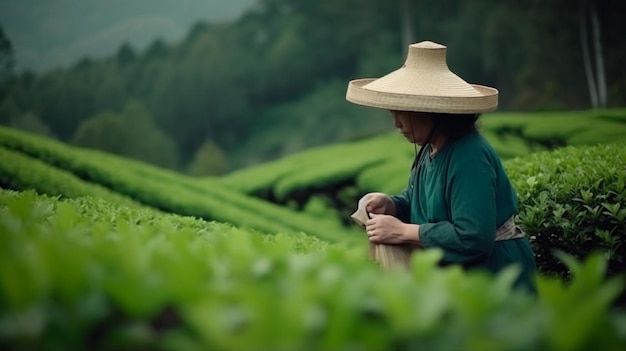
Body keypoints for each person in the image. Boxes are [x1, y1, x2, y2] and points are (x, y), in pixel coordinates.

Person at [345, 41, 537, 292]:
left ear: (432, 111)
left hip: (496, 279)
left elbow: (473, 237)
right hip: (461, 279)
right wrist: (391, 204)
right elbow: (422, 202)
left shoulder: (469, 156)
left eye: (403, 113)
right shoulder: (430, 148)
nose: (397, 124)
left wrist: (404, 232)